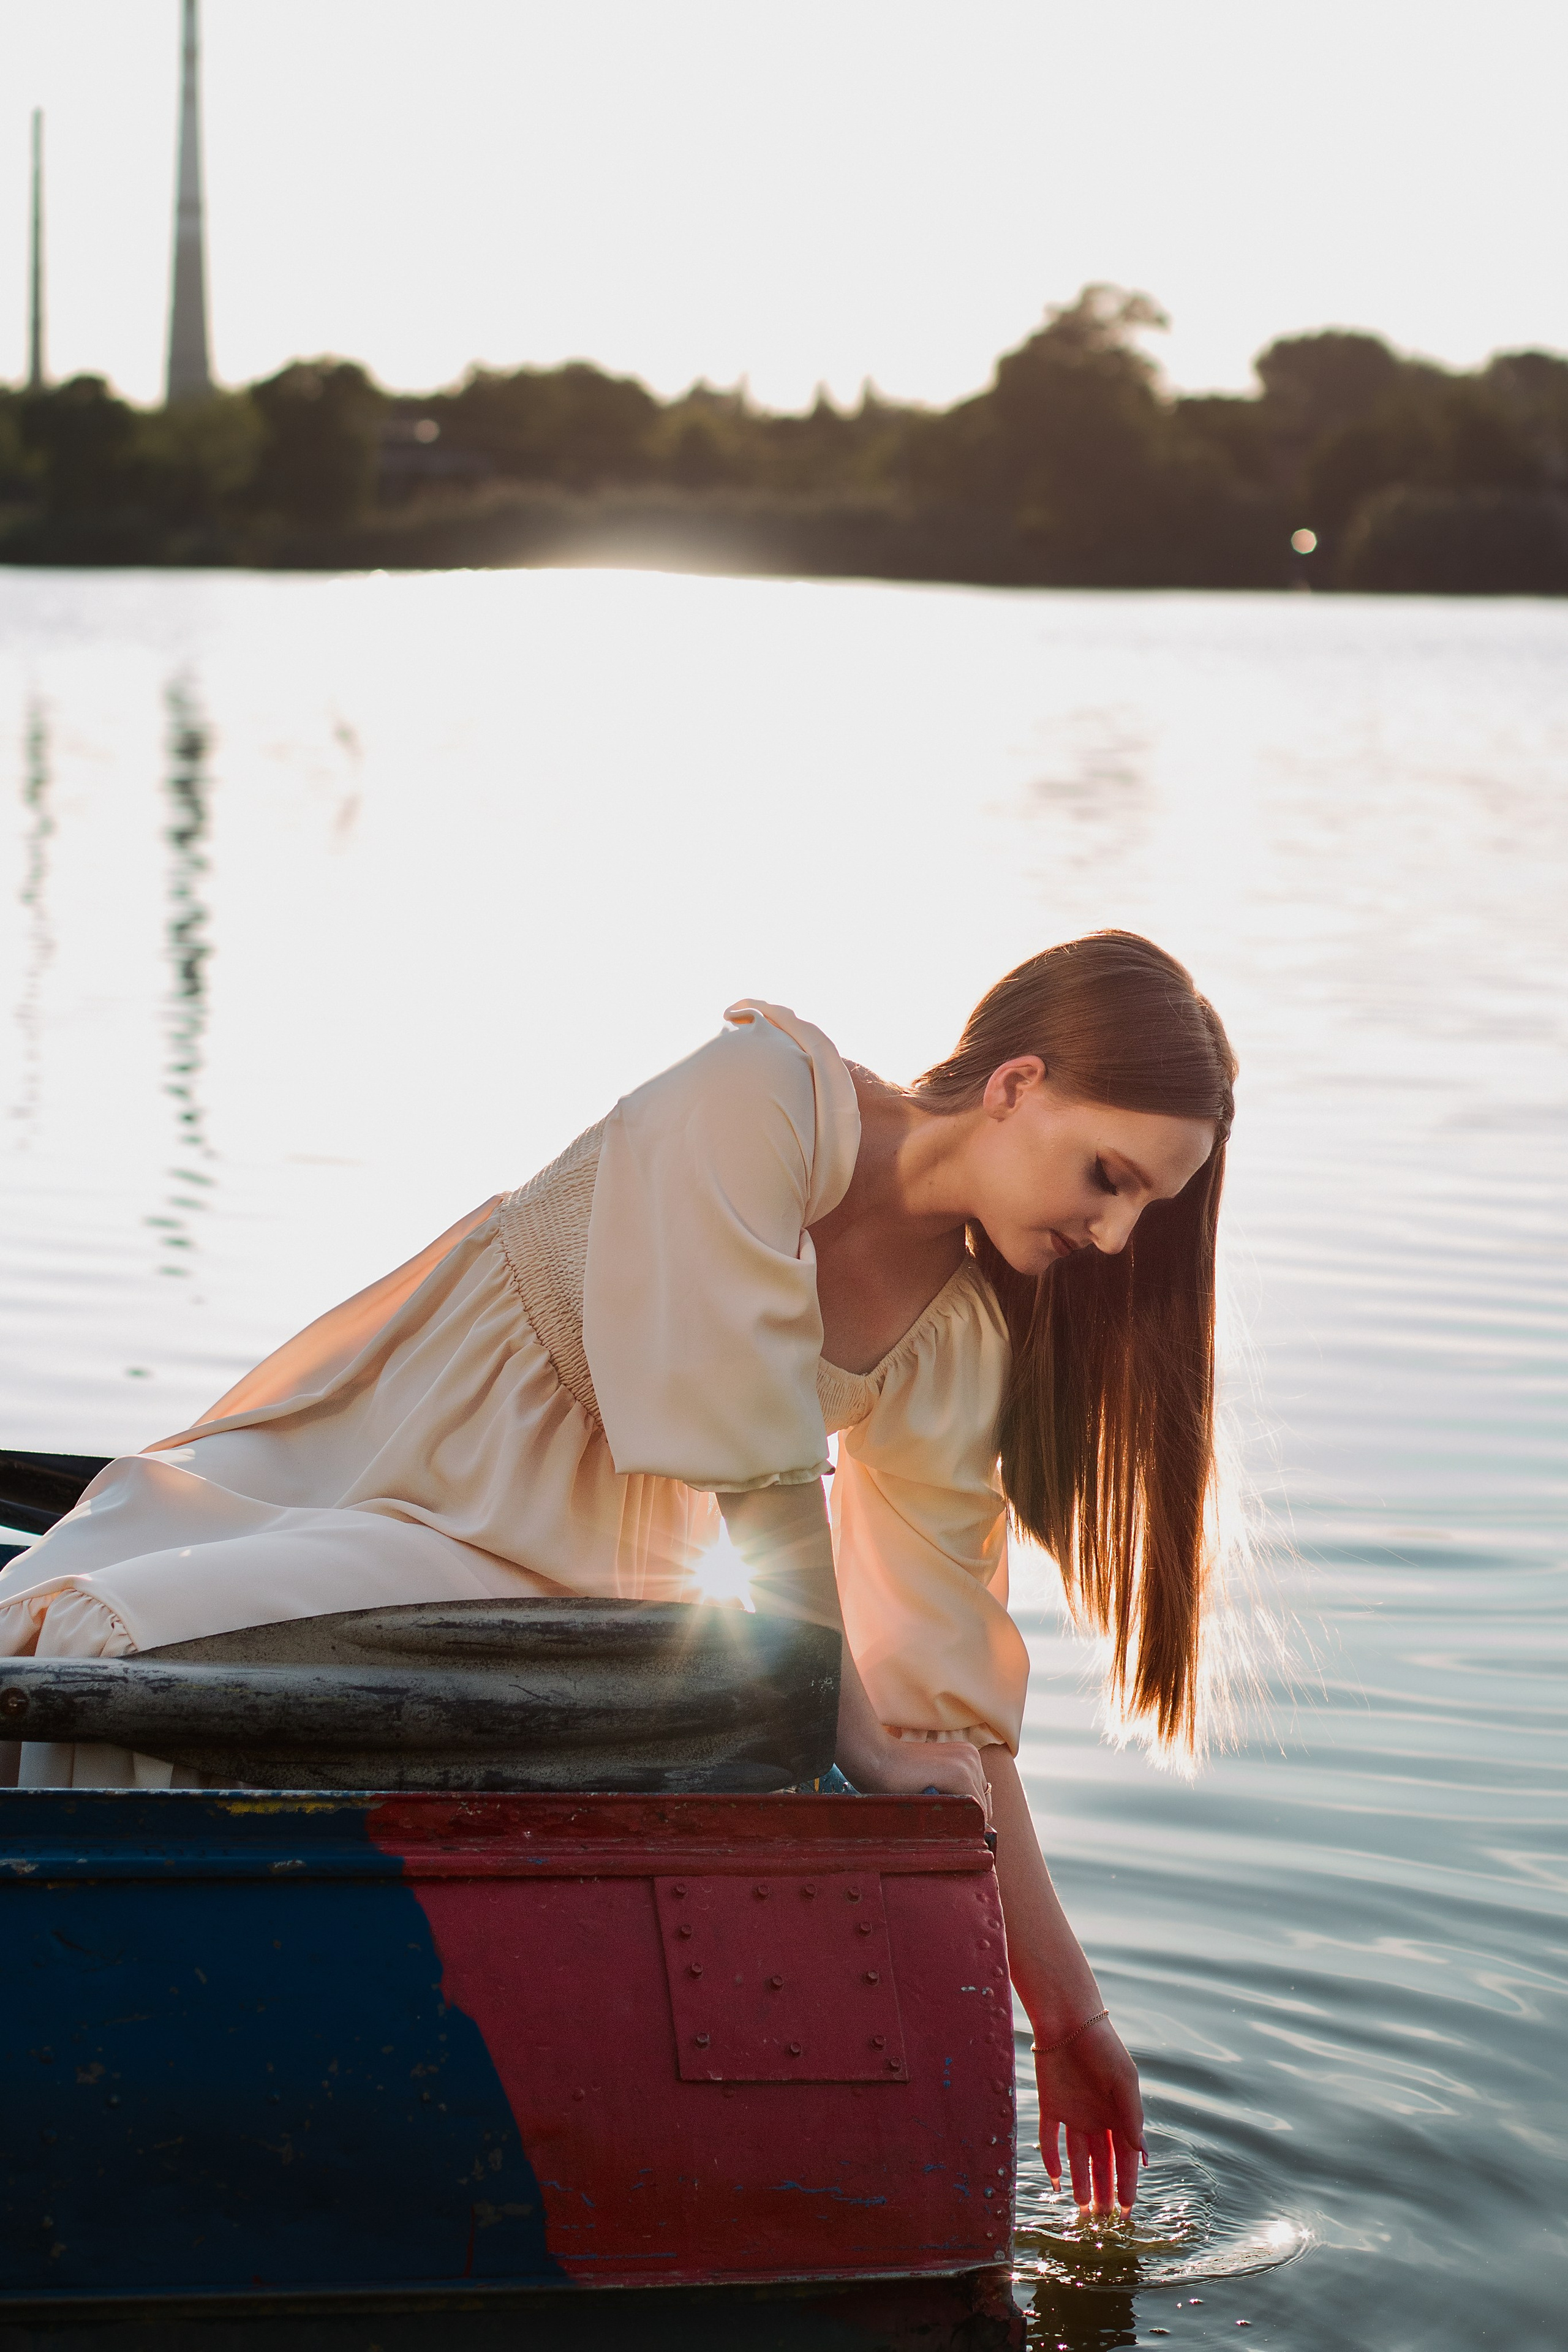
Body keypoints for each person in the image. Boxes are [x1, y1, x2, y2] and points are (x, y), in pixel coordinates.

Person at [0, 929, 1235, 2220]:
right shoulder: (756, 1095)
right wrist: (852, 1733)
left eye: (1145, 1208)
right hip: (391, 1488)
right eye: (1109, 1177)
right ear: (1016, 1083)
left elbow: (946, 1711)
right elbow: (758, 1474)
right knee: (94, 1646)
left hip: (584, 1613)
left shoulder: (955, 1344)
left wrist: (1069, 2014)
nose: (1111, 1233)